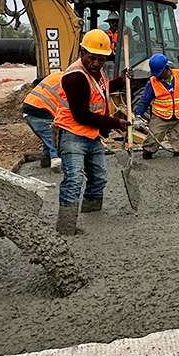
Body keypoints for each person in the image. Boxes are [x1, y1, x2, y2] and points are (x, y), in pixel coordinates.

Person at [53, 29, 128, 234]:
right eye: (92, 58)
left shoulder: (94, 73)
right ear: (82, 52)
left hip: (92, 134)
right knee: (74, 178)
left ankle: (92, 217)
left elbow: (100, 89)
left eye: (101, 60)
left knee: (99, 177)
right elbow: (81, 115)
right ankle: (66, 228)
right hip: (73, 133)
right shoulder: (76, 77)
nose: (96, 63)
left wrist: (119, 82)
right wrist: (115, 123)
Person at [132, 53, 179, 159]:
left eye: (159, 73)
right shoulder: (152, 82)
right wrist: (138, 116)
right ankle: (148, 152)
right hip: (160, 117)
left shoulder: (178, 74)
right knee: (154, 136)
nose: (157, 76)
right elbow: (144, 100)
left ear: (167, 68)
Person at [21, 70, 64, 170]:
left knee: (46, 136)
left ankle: (46, 158)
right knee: (54, 139)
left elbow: (36, 82)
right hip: (40, 110)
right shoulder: (73, 82)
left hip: (28, 107)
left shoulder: (58, 75)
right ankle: (56, 161)